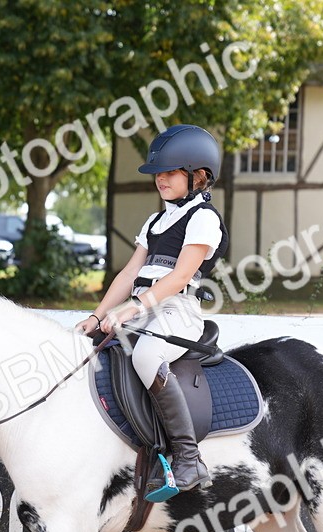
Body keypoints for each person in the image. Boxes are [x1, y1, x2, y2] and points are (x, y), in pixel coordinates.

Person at [76, 124, 229, 500]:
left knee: (145, 355)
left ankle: (188, 458)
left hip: (177, 310)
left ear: (199, 176)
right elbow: (129, 273)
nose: (160, 179)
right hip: (143, 307)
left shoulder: (203, 219)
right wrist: (97, 317)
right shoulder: (155, 220)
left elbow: (180, 276)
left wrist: (133, 308)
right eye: (158, 172)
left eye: (170, 171)